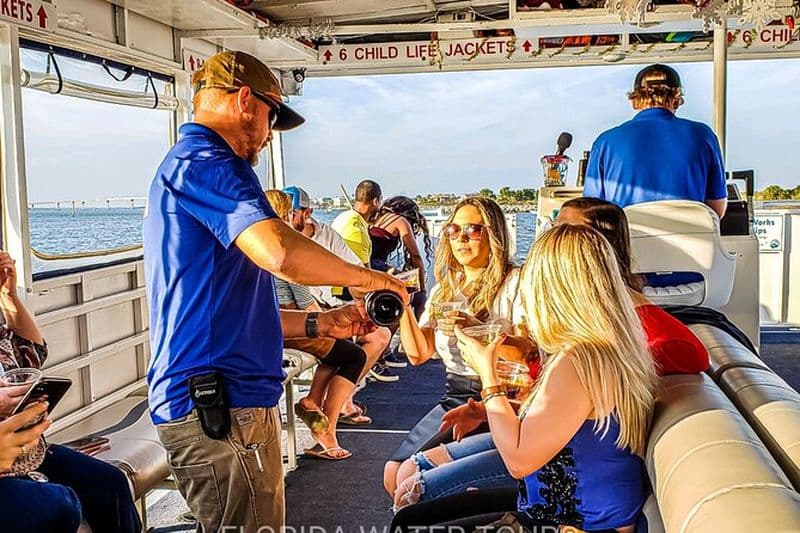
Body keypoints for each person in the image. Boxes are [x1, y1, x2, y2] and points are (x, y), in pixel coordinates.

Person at [143, 51, 407, 532]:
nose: (268, 137)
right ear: (246, 100)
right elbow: (279, 252)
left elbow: (227, 311)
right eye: (270, 117)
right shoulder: (208, 161)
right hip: (219, 405)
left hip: (223, 398)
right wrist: (370, 278)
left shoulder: (195, 165)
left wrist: (319, 323)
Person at [391, 197, 709, 512]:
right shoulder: (599, 342)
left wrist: (489, 378)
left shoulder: (585, 353)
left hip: (567, 505)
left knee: (412, 493)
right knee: (407, 473)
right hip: (541, 449)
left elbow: (520, 458)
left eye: (564, 230)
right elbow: (574, 408)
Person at [421, 223, 659, 532]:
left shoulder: (579, 360)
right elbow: (573, 425)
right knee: (416, 518)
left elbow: (519, 462)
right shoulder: (611, 349)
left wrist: (488, 378)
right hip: (578, 515)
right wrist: (490, 411)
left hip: (575, 524)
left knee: (410, 520)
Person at [383, 197, 531, 496]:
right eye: (453, 230)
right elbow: (418, 353)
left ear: (494, 235)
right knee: (391, 473)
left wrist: (474, 326)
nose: (461, 238)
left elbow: (528, 353)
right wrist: (402, 303)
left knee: (410, 477)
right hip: (455, 393)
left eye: (473, 230)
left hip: (497, 395)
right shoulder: (445, 290)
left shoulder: (515, 283)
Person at [0, 251, 141, 533]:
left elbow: (34, 354)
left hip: (30, 452)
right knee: (60, 505)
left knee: (111, 483)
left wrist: (9, 296)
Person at [265, 190, 369, 459]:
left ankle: (313, 402)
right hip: (284, 325)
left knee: (338, 346)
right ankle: (327, 429)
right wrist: (324, 321)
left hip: (274, 321)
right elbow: (300, 294)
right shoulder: (280, 244)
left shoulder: (261, 241)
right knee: (353, 355)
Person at [284, 185, 397, 384]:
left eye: (292, 213)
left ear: (308, 213)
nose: (287, 220)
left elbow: (356, 269)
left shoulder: (326, 235)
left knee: (379, 334)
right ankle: (327, 404)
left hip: (324, 305)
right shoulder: (281, 246)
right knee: (350, 350)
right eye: (284, 214)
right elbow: (301, 298)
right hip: (302, 314)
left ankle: (335, 401)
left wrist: (365, 302)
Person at [583, 63, 727, 219]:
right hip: (691, 240)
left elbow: (592, 210)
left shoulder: (605, 142)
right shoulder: (703, 135)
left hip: (627, 240)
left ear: (634, 101)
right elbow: (716, 208)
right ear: (677, 99)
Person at [369, 195, 434, 318]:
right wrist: (422, 287)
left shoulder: (376, 218)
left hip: (367, 266)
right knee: (417, 295)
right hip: (376, 265)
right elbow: (415, 255)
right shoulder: (399, 221)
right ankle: (420, 329)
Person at [332, 179, 383, 265]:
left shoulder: (343, 217)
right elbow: (364, 275)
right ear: (375, 201)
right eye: (380, 201)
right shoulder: (358, 232)